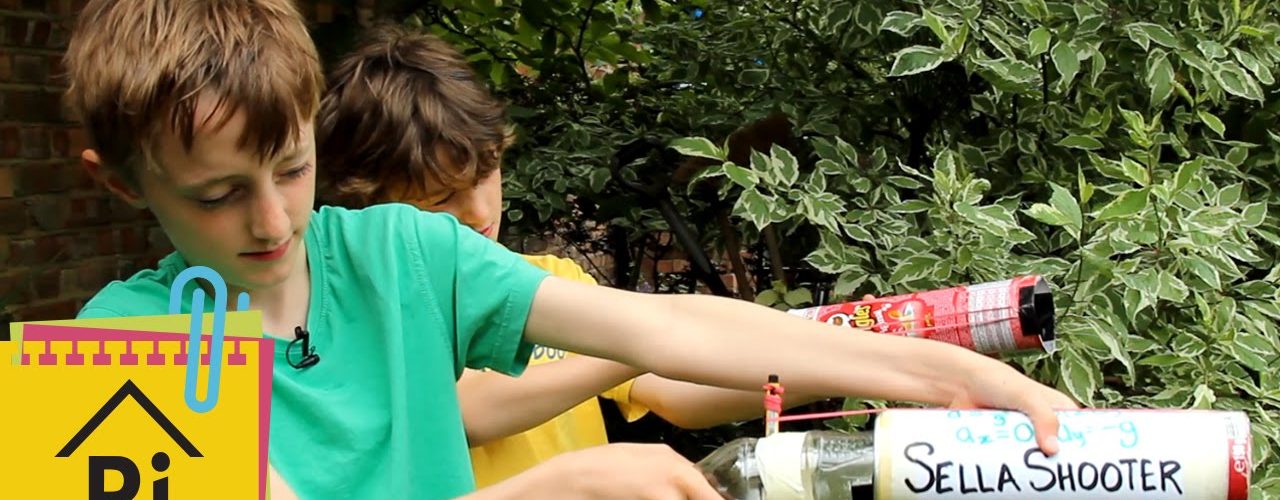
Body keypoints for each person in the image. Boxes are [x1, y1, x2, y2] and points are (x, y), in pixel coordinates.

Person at [64, 1, 1076, 499]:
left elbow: (669, 328)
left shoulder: (403, 253)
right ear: (118, 180)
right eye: (216, 194)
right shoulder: (107, 359)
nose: (273, 222)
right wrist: (555, 487)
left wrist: (949, 372)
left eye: (291, 168)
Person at [314, 24, 838, 489]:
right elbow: (466, 413)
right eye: (440, 198)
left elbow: (676, 391)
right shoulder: (348, 320)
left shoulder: (551, 279)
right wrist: (639, 345)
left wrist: (834, 357)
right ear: (369, 205)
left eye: (486, 172)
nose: (479, 211)